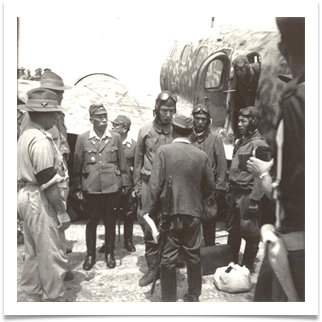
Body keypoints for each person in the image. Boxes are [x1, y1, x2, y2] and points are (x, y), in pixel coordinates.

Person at [247, 17, 305, 302]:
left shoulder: (297, 102)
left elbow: (288, 195)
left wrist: (264, 175)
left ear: (284, 48)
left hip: (299, 250)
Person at [146, 114, 215, 302]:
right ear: (191, 132)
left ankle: (169, 299)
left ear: (173, 130)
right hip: (193, 213)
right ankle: (193, 295)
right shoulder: (201, 155)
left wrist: (151, 211)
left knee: (168, 258)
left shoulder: (163, 151)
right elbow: (210, 186)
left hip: (170, 214)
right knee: (194, 256)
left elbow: (154, 186)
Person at [17, 88, 71, 302]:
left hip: (26, 194)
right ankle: (53, 299)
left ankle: (32, 296)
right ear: (41, 113)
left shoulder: (25, 135)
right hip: (39, 198)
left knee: (33, 251)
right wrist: (61, 211)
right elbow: (47, 181)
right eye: (53, 112)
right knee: (51, 253)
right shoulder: (40, 140)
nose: (56, 116)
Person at [72, 104, 131, 270]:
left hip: (112, 187)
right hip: (91, 187)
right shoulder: (82, 138)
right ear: (91, 120)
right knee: (91, 221)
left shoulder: (115, 138)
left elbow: (122, 163)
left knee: (110, 220)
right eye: (100, 117)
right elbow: (77, 165)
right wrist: (77, 187)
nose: (105, 120)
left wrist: (125, 183)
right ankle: (90, 255)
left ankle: (109, 253)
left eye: (106, 116)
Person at [133, 90, 176, 287]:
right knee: (149, 226)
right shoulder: (145, 131)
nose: (168, 114)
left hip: (170, 186)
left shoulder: (177, 131)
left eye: (171, 111)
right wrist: (137, 187)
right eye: (165, 110)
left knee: (170, 225)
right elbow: (138, 159)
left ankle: (167, 264)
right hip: (148, 184)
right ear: (156, 110)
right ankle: (152, 268)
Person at [226, 105, 269, 274]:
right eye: (238, 121)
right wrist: (230, 191)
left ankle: (248, 265)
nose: (239, 124)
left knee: (250, 229)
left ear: (254, 122)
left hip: (248, 194)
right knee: (233, 229)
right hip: (236, 192)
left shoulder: (260, 144)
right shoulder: (241, 141)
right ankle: (231, 260)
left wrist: (255, 199)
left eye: (243, 121)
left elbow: (262, 174)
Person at [99, 115, 137, 253]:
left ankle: (128, 240)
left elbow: (136, 167)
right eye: (113, 125)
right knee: (110, 214)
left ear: (125, 128)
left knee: (128, 213)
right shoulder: (109, 143)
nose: (113, 127)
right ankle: (110, 242)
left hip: (128, 185)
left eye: (116, 125)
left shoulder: (134, 145)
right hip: (112, 184)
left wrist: (134, 187)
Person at [190, 103, 227, 246]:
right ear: (193, 118)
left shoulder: (215, 138)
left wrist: (219, 187)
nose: (200, 122)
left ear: (208, 120)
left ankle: (210, 252)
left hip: (208, 190)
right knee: (191, 223)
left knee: (209, 223)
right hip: (191, 188)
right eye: (197, 118)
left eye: (203, 119)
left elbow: (222, 165)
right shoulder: (188, 137)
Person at [19, 70, 72, 165]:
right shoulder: (32, 116)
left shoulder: (59, 115)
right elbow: (27, 150)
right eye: (59, 93)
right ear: (48, 92)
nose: (62, 97)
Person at [232, 55, 260, 136]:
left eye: (241, 69)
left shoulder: (258, 69)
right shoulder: (241, 78)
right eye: (237, 70)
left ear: (247, 67)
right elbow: (245, 95)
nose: (239, 73)